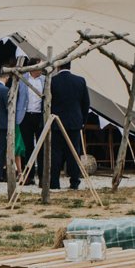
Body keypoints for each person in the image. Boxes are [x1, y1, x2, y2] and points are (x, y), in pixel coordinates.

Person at [48, 61, 92, 191]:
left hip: (56, 121)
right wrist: (83, 120)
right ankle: (74, 181)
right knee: (74, 153)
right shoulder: (80, 81)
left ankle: (54, 182)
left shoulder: (52, 81)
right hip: (74, 121)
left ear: (58, 66)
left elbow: (48, 102)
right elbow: (86, 103)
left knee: (56, 153)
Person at [18, 68, 44, 184]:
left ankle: (43, 176)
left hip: (40, 116)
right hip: (26, 115)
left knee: (41, 146)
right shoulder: (22, 79)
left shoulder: (45, 80)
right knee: (28, 147)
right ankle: (29, 175)